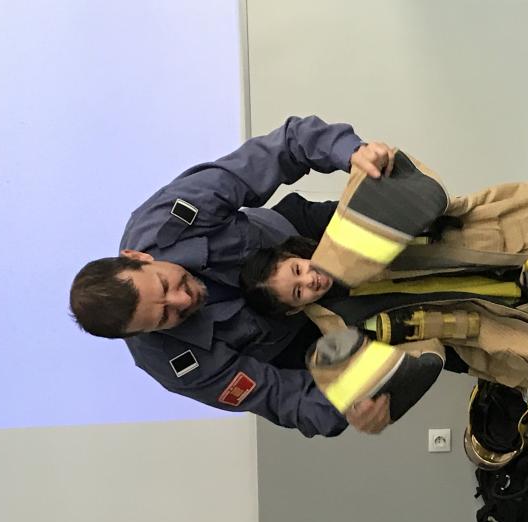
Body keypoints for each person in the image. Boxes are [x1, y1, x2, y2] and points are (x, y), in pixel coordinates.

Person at [239, 147, 528, 433]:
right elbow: (418, 358)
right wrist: (387, 391)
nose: (309, 281)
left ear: (295, 253)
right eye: (297, 292)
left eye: (297, 270)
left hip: (483, 248)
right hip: (485, 320)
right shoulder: (341, 337)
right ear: (293, 310)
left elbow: (406, 190)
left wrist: (379, 162)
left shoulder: (337, 233)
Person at [69, 115, 397, 437]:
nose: (183, 299)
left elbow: (283, 147)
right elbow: (279, 397)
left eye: (165, 285)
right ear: (141, 333)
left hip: (295, 242)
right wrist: (345, 407)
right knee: (396, 358)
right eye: (165, 316)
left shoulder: (170, 215)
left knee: (398, 212)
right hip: (301, 336)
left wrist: (351, 152)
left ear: (138, 257)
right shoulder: (177, 364)